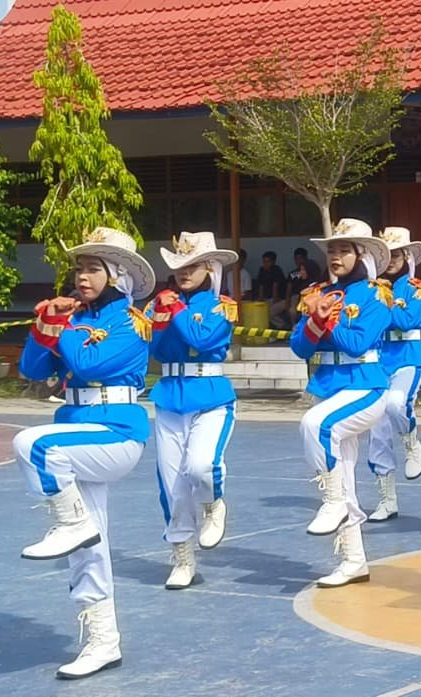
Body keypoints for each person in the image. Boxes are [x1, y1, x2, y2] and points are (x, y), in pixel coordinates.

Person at [12, 227, 155, 679]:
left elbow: (90, 364)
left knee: (31, 444)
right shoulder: (75, 320)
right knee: (89, 549)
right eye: (79, 267)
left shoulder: (130, 321)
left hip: (116, 432)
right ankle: (102, 642)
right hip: (79, 431)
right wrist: (45, 326)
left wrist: (63, 326)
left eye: (93, 268)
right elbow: (32, 368)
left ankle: (70, 522)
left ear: (116, 275)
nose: (82, 276)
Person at [290, 219, 393, 587]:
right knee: (343, 473)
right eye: (331, 250)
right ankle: (354, 560)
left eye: (343, 250)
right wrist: (313, 319)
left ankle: (331, 502)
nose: (335, 256)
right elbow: (299, 346)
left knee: (316, 425)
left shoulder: (376, 295)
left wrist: (325, 318)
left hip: (365, 384)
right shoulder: (316, 291)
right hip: (330, 386)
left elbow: (357, 343)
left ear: (361, 254)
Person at [148, 231, 240, 589]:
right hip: (170, 393)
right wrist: (167, 313)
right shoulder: (161, 303)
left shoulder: (223, 306)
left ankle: (213, 503)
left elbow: (201, 340)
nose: (184, 271)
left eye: (193, 265)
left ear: (210, 268)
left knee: (201, 466)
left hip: (210, 394)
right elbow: (158, 345)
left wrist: (175, 311)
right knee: (171, 485)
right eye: (179, 265)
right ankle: (182, 556)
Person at [366, 227, 421, 522]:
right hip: (379, 358)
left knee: (395, 403)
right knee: (376, 428)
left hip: (407, 356)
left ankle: (410, 439)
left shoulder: (416, 287)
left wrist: (383, 305)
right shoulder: (370, 288)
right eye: (387, 254)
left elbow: (409, 319)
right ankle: (386, 498)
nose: (391, 259)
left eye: (397, 254)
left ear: (407, 256)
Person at [287, 247, 324, 325]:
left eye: (303, 270)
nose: (301, 272)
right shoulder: (298, 279)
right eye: (301, 270)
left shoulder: (316, 287)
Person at [254, 251, 288, 328]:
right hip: (267, 298)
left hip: (280, 299)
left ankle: (283, 326)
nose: (265, 264)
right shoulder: (262, 270)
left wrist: (275, 299)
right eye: (264, 261)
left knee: (268, 313)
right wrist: (260, 298)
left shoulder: (277, 270)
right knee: (259, 310)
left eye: (267, 262)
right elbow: (261, 285)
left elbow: (275, 285)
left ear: (273, 262)